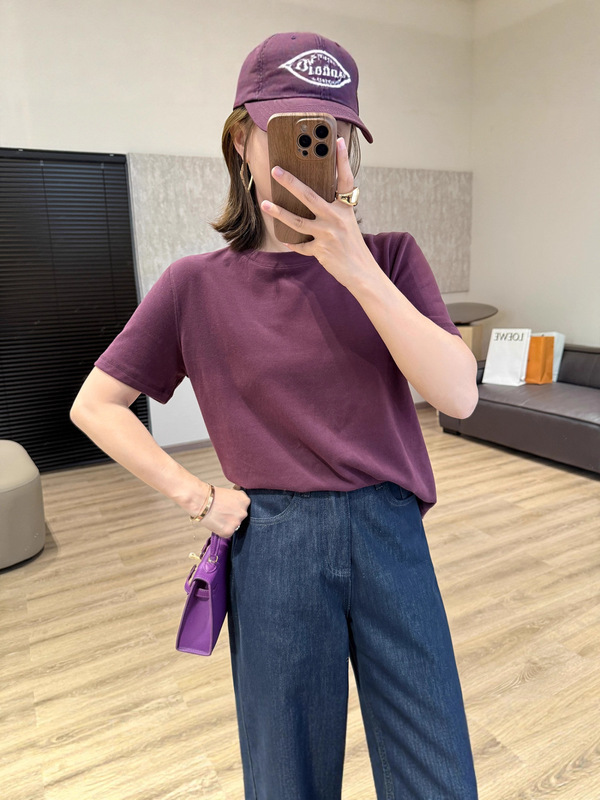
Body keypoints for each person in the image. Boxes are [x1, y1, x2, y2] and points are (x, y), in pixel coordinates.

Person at [71, 31, 480, 800]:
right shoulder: (195, 285)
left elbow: (459, 395)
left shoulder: (391, 259)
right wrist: (197, 497)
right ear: (242, 139)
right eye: (298, 131)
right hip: (275, 546)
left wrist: (356, 269)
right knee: (286, 778)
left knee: (438, 776)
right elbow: (96, 405)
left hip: (391, 532)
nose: (325, 150)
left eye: (337, 133)